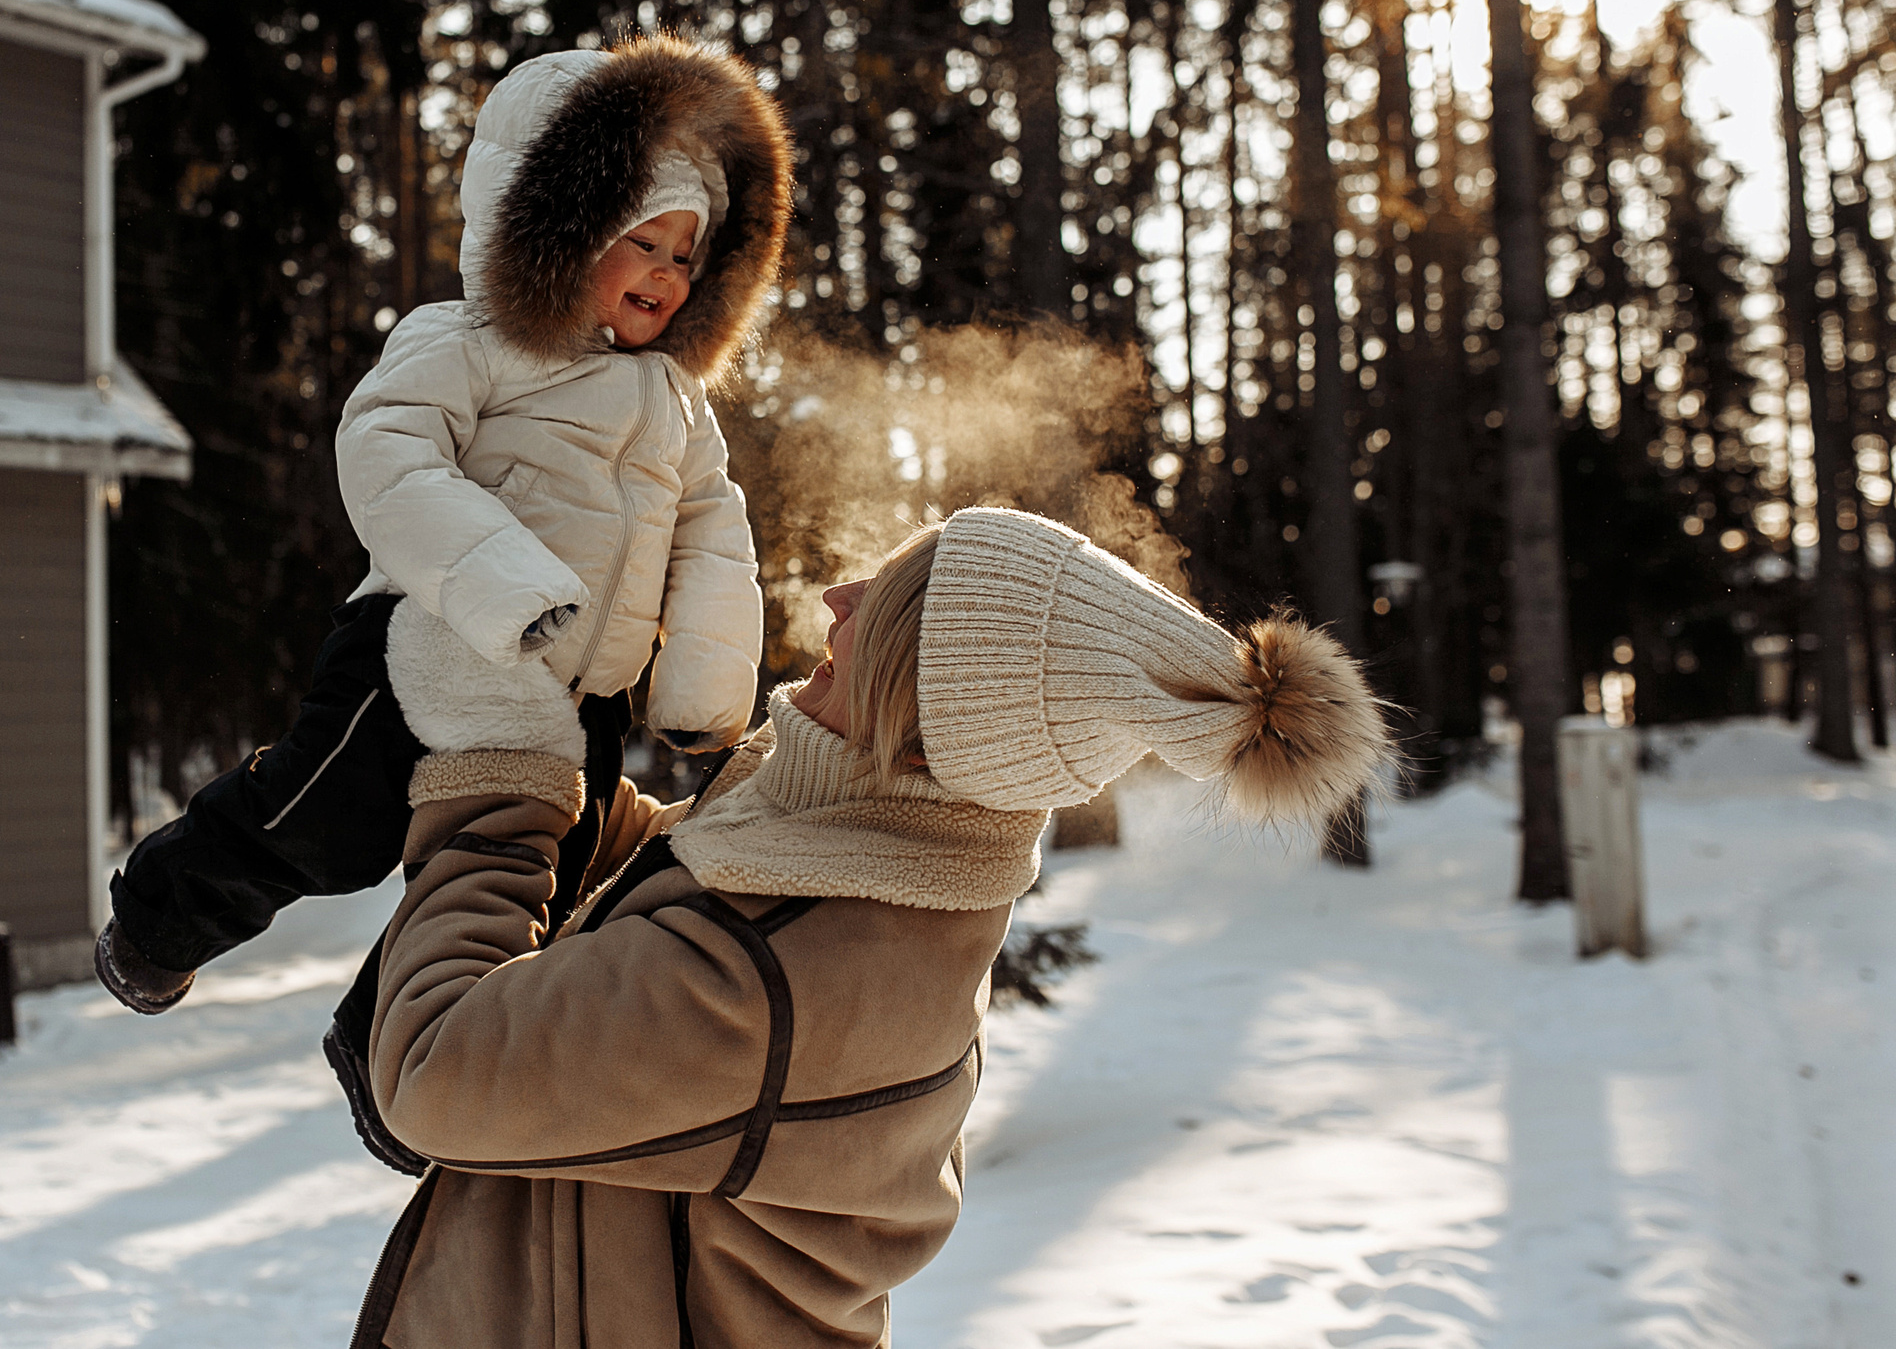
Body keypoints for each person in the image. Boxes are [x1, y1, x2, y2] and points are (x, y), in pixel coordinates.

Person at [344, 506, 1389, 1348]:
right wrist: (565, 741)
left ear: (932, 721)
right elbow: (662, 899)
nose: (838, 599)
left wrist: (497, 790)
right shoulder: (849, 872)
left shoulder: (784, 970)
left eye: (882, 608)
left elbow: (434, 1073)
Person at [95, 38, 794, 1088]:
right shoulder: (469, 340)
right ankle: (158, 919)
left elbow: (711, 528)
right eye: (640, 241)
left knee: (532, 882)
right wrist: (501, 583)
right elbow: (385, 450)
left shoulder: (677, 403)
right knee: (330, 825)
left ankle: (401, 1048)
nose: (665, 273)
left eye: (685, 255)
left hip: (578, 695)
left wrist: (700, 680)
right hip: (425, 644)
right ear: (557, 230)